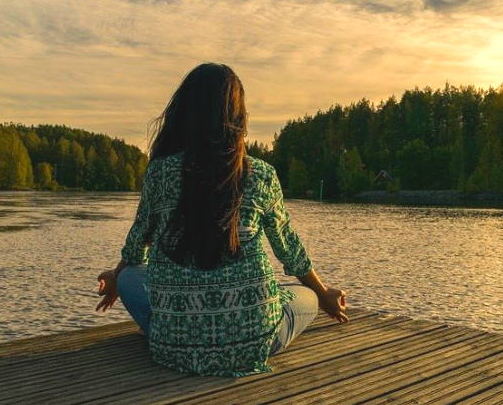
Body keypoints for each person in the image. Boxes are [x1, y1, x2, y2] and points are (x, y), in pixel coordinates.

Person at [95, 63, 348, 377]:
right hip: (254, 343)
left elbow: (136, 246)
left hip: (173, 348)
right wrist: (324, 295)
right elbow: (289, 250)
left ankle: (176, 328)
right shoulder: (261, 174)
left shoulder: (160, 172)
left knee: (132, 276)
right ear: (238, 116)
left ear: (184, 113)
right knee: (305, 296)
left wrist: (117, 276)